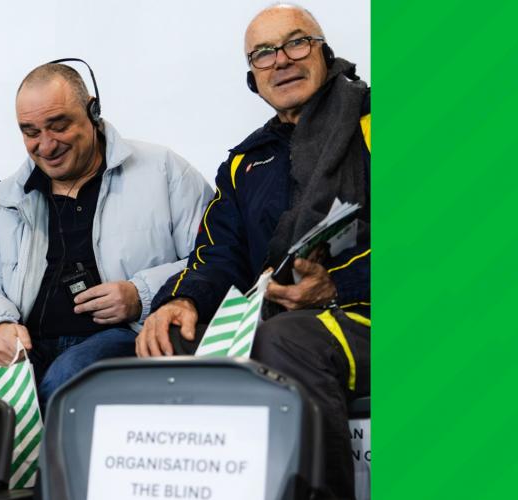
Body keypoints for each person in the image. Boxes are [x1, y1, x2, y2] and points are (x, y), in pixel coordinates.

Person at [138, 4, 371, 498]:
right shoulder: (243, 163)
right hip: (278, 316)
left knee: (287, 338)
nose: (281, 60)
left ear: (325, 53)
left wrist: (336, 285)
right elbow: (217, 255)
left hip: (369, 312)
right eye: (263, 53)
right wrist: (182, 301)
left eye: (296, 42)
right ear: (253, 78)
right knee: (169, 342)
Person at [0, 61, 212, 406]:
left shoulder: (164, 172)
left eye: (58, 126)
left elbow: (211, 260)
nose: (46, 145)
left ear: (93, 110)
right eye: (31, 132)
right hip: (24, 347)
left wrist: (140, 294)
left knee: (69, 382)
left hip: (124, 336)